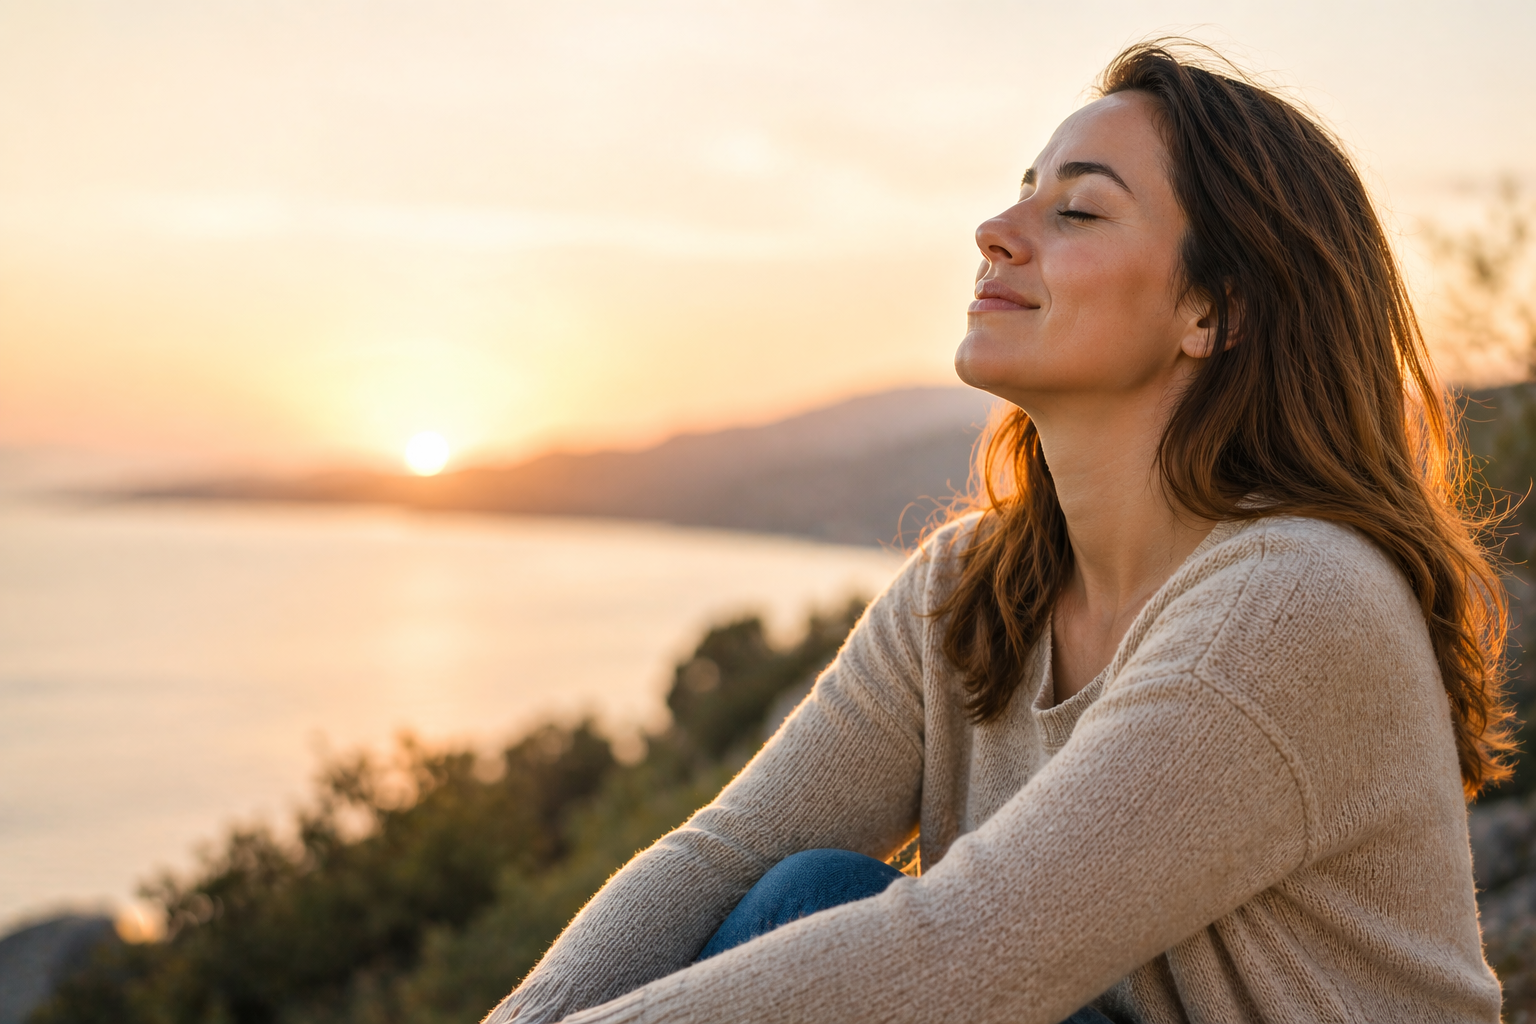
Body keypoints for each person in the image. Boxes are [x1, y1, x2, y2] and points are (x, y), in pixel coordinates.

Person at [485, 41, 1513, 1024]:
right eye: (1023, 191)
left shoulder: (1299, 602)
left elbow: (965, 954)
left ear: (1212, 312)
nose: (996, 229)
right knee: (799, 886)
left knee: (822, 912)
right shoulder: (973, 584)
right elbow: (729, 851)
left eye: (1077, 209)